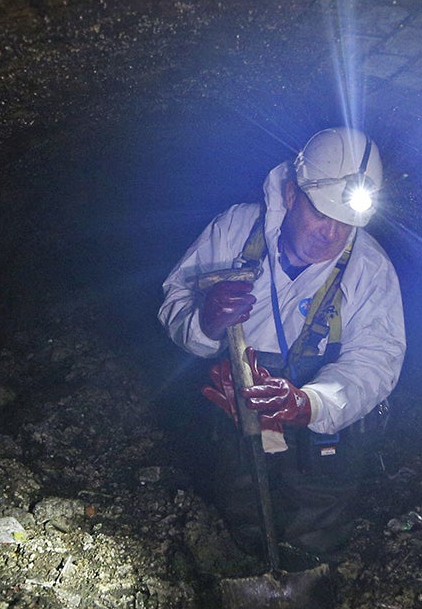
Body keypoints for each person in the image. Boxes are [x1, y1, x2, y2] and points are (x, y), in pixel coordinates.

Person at [159, 127, 405, 570]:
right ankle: (251, 573)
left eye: (345, 222)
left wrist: (310, 403)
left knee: (319, 519)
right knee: (241, 502)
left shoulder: (369, 267)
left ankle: (309, 584)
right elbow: (175, 305)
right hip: (240, 412)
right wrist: (205, 321)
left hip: (325, 430)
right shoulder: (235, 230)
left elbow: (377, 360)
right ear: (292, 194)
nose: (332, 233)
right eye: (321, 213)